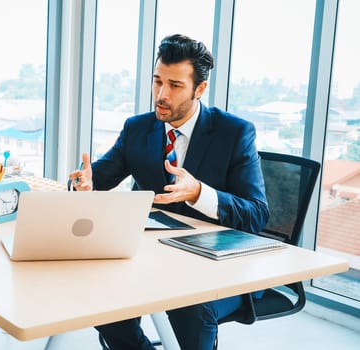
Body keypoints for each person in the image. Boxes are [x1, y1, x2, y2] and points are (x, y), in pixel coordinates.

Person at [68, 34, 269, 350]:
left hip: (216, 266)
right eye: (157, 81)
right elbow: (97, 178)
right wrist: (83, 184)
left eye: (175, 86)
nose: (161, 94)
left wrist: (198, 192)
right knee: (100, 292)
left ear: (199, 89)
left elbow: (257, 214)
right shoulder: (138, 128)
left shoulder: (234, 132)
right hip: (153, 257)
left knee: (188, 306)